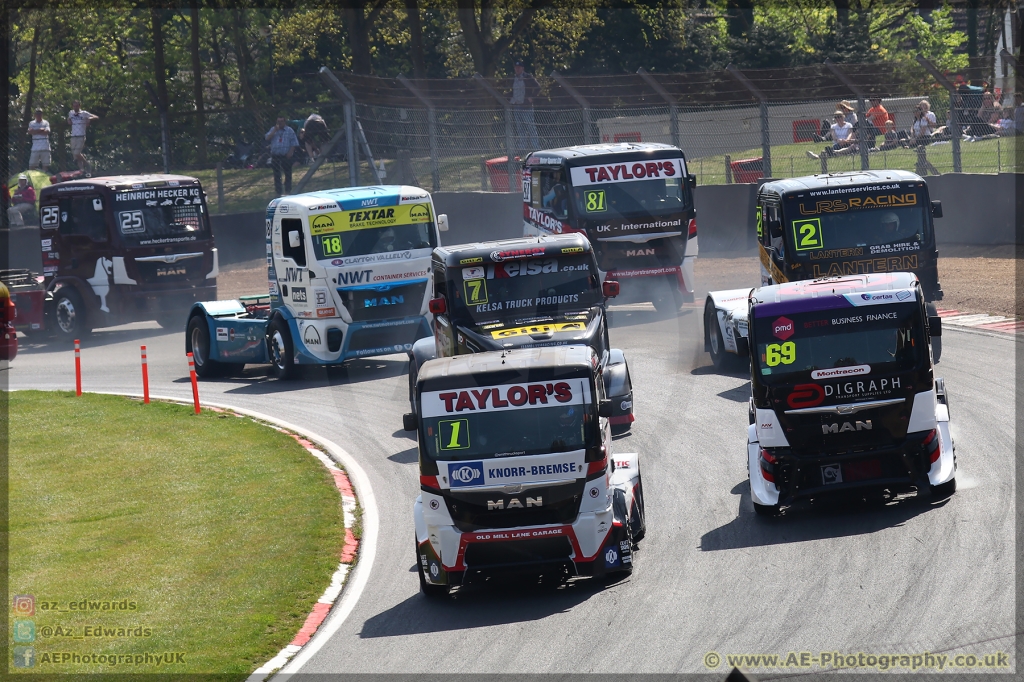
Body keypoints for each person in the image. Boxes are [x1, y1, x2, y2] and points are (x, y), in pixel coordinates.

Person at [508, 59, 540, 154]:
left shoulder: (527, 77)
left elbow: (538, 87)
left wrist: (532, 97)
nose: (517, 69)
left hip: (526, 106)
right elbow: (511, 90)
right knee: (520, 128)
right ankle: (522, 148)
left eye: (519, 67)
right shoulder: (513, 78)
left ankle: (536, 148)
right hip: (516, 105)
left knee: (531, 127)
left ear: (522, 68)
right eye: (516, 67)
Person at [265, 116, 299, 196]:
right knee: (277, 175)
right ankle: (278, 192)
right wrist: (274, 131)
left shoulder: (289, 130)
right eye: (278, 122)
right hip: (275, 155)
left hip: (285, 155)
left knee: (288, 173)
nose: (280, 123)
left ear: (285, 122)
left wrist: (290, 152)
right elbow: (267, 138)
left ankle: (288, 191)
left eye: (281, 121)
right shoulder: (273, 129)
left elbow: (294, 142)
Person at [67, 100, 99, 172]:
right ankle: (81, 169)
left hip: (81, 135)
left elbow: (96, 117)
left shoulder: (84, 113)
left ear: (79, 106)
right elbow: (69, 119)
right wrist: (68, 120)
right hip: (73, 135)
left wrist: (89, 119)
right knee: (75, 155)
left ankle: (87, 164)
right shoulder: (71, 113)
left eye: (77, 106)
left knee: (77, 153)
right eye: (74, 106)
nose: (75, 107)